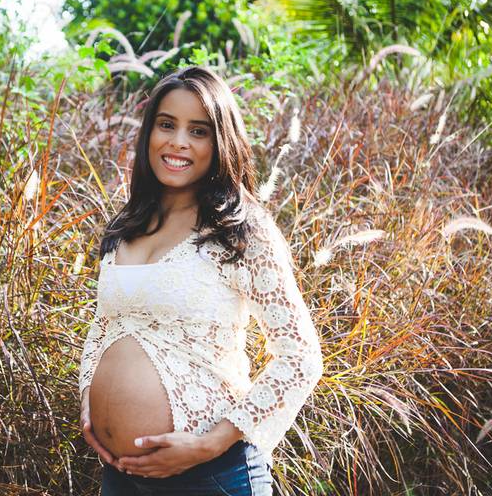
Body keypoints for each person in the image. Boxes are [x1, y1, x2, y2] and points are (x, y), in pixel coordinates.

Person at [78, 65, 324, 495]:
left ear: (220, 142)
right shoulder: (128, 224)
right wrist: (89, 401)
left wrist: (211, 443)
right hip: (120, 477)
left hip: (209, 477)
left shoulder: (243, 230)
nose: (178, 142)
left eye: (198, 131)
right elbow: (104, 326)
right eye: (167, 125)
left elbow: (300, 357)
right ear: (149, 133)